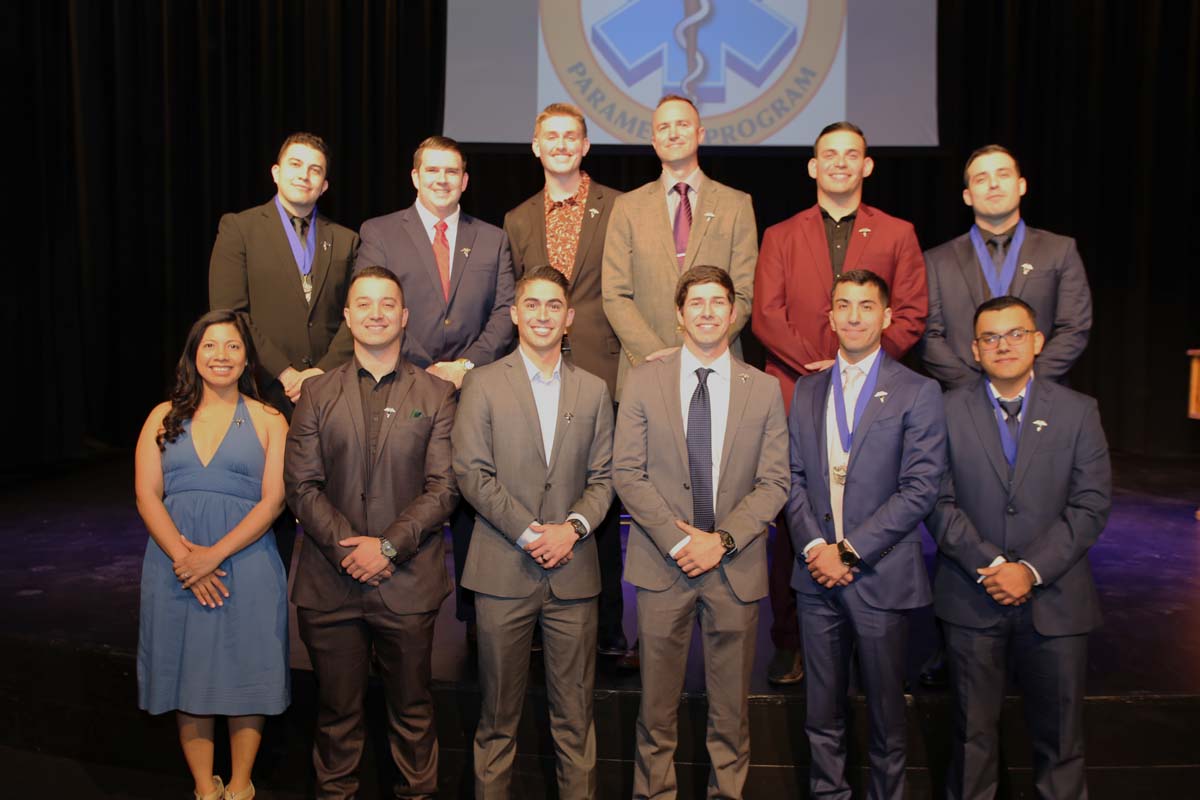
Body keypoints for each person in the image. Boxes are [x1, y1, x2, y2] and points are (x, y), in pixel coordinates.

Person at [752, 120, 928, 685]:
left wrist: (861, 361)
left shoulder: (898, 233)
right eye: (829, 154)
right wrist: (817, 367)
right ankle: (790, 639)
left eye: (851, 155)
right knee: (793, 515)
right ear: (812, 166)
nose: (840, 163)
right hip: (796, 391)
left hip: (874, 395)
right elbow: (765, 315)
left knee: (869, 505)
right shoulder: (781, 234)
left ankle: (866, 623)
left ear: (867, 165)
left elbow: (910, 312)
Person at [613, 266, 789, 799]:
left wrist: (722, 541)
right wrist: (680, 539)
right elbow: (627, 472)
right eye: (697, 303)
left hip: (733, 570)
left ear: (734, 314)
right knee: (655, 711)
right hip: (663, 565)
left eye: (719, 302)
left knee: (731, 714)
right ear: (679, 315)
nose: (708, 311)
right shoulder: (643, 380)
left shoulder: (763, 389)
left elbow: (775, 480)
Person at [284, 267, 459, 799]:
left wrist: (385, 547)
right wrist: (349, 550)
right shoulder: (316, 393)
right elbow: (301, 484)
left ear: (405, 317)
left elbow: (444, 488)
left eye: (388, 304)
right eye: (364, 304)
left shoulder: (437, 393)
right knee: (337, 717)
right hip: (328, 584)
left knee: (412, 714)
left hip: (405, 582)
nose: (376, 312)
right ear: (348, 316)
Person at [927, 296, 1111, 799]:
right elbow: (936, 501)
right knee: (971, 741)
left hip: (1057, 601)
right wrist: (992, 564)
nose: (1002, 345)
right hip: (971, 595)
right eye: (990, 337)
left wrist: (1029, 569)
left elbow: (1091, 504)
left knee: (1062, 743)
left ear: (1037, 341)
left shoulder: (1078, 412)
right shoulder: (943, 412)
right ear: (974, 349)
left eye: (1014, 334)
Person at [453, 266, 614, 799]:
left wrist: (570, 530)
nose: (543, 315)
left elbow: (605, 477)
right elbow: (472, 474)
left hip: (574, 572)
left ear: (568, 319)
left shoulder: (594, 390)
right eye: (533, 305)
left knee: (576, 720)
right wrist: (529, 532)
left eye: (553, 306)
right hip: (503, 569)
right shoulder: (482, 383)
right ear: (516, 314)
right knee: (497, 721)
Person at [786, 270, 946, 800]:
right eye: (843, 305)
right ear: (829, 317)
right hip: (816, 579)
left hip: (880, 575)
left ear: (886, 318)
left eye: (866, 306)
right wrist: (815, 549)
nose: (854, 315)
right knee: (821, 713)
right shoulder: (807, 391)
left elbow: (920, 488)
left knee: (885, 719)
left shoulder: (919, 392)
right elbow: (793, 479)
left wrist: (849, 552)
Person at [358, 135, 514, 630]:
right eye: (433, 171)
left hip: (474, 388)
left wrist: (464, 367)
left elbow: (506, 312)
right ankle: (390, 602)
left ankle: (474, 615)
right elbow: (372, 305)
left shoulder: (492, 238)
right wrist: (425, 367)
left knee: (472, 496)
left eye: (452, 172)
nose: (443, 180)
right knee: (405, 492)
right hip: (404, 384)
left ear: (465, 180)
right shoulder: (380, 232)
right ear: (415, 177)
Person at [135, 310, 290, 800]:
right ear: (193, 354)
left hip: (245, 562)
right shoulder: (162, 416)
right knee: (189, 670)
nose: (220, 356)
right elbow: (146, 494)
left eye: (232, 347)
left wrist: (212, 556)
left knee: (248, 669)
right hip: (173, 566)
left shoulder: (269, 419)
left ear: (247, 359)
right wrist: (186, 558)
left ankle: (241, 786)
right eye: (209, 346)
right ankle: (205, 788)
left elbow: (275, 500)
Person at [503, 102, 629, 658]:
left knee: (600, 498)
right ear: (535, 147)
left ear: (584, 146)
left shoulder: (619, 208)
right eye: (549, 136)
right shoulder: (517, 218)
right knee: (537, 488)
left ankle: (608, 631)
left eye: (570, 136)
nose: (560, 144)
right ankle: (534, 621)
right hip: (536, 371)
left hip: (601, 370)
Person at [209, 131, 359, 574]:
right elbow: (229, 312)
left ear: (325, 185)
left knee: (329, 511)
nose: (304, 175)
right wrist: (286, 372)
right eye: (295, 165)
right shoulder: (239, 228)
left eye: (315, 170)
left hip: (328, 395)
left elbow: (356, 314)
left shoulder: (346, 240)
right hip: (261, 392)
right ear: (276, 173)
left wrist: (319, 374)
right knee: (263, 515)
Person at [602, 95, 758, 397]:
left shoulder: (736, 205)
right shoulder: (627, 207)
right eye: (664, 127)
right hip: (646, 368)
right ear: (653, 140)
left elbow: (742, 294)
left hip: (716, 368)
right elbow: (615, 294)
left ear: (700, 133)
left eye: (682, 124)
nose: (673, 133)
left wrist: (699, 351)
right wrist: (660, 355)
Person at [922, 145, 1093, 389]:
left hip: (1043, 396)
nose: (993, 184)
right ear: (967, 196)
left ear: (1021, 185)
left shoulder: (1060, 250)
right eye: (981, 178)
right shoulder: (936, 260)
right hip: (965, 401)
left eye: (1003, 175)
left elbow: (1074, 327)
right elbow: (930, 337)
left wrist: (1029, 381)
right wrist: (977, 390)